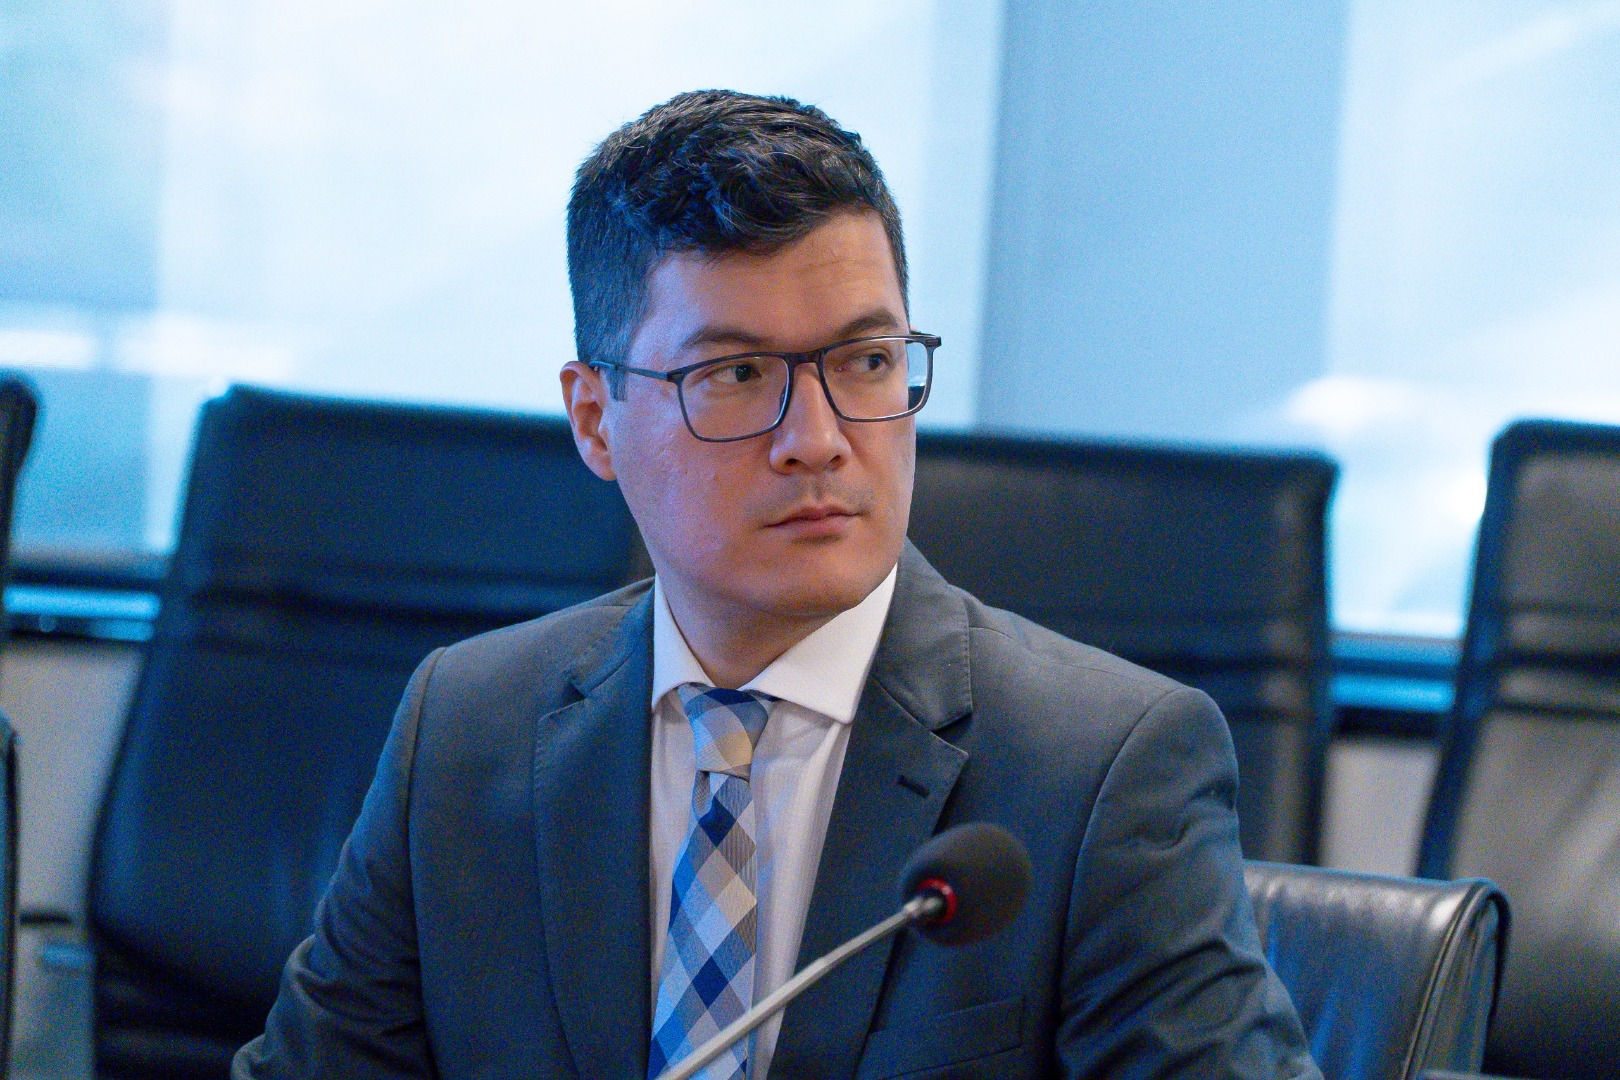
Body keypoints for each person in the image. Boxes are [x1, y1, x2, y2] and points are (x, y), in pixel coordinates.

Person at [234, 90, 1321, 1079]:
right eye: (739, 374)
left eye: (866, 361)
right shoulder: (467, 731)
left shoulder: (1100, 769)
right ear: (595, 420)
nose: (818, 438)